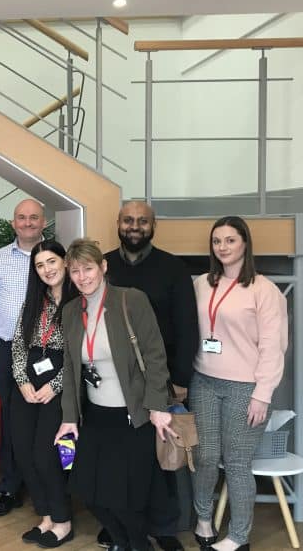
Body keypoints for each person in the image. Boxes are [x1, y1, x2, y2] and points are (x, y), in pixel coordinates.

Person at [55, 238, 175, 551]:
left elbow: (155, 356)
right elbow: (70, 367)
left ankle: (137, 545)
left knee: (126, 499)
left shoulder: (130, 300)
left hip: (131, 417)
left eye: (88, 268)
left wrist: (157, 406)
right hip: (95, 417)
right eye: (75, 271)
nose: (82, 277)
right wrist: (69, 417)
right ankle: (122, 542)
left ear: (103, 267)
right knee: (89, 493)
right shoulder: (70, 312)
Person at [104, 201, 199, 551]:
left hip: (161, 379)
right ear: (118, 223)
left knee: (160, 456)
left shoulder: (173, 268)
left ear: (153, 226)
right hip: (113, 381)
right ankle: (121, 525)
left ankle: (164, 528)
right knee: (119, 458)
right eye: (128, 220)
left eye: (142, 221)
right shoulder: (104, 266)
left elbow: (187, 326)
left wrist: (180, 379)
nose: (135, 227)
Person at [191, 216, 288, 551]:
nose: (223, 247)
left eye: (230, 240)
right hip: (204, 381)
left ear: (245, 243)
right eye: (217, 241)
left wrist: (262, 395)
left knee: (236, 463)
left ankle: (238, 537)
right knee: (205, 457)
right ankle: (203, 519)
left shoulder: (264, 290)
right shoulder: (202, 284)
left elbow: (273, 347)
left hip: (245, 388)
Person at [0, 198, 46, 516]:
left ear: (43, 222)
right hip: (6, 349)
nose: (28, 222)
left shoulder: (54, 256)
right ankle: (11, 486)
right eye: (22, 217)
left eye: (34, 217)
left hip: (46, 352)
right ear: (13, 223)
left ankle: (49, 486)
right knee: (11, 419)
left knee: (47, 418)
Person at [11, 240, 78, 548]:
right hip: (29, 381)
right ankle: (46, 517)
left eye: (51, 261)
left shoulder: (79, 301)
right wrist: (22, 381)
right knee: (25, 452)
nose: (47, 269)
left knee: (46, 454)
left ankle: (63, 521)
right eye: (39, 265)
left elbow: (81, 354)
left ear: (65, 262)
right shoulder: (33, 301)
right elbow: (18, 345)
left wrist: (55, 385)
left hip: (61, 382)